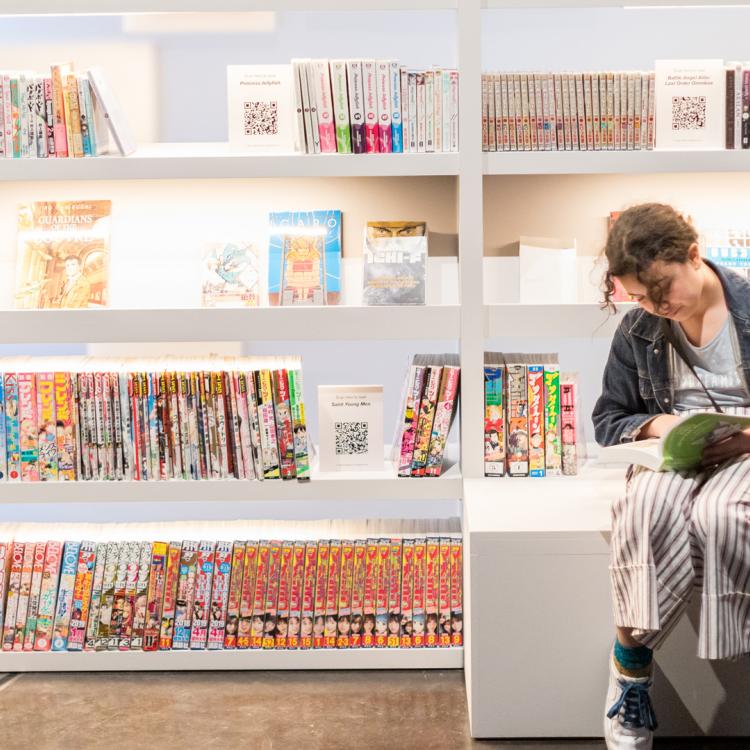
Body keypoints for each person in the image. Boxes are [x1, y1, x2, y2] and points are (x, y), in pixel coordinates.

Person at [593, 203, 750, 750]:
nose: (655, 306)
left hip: (747, 451)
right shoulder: (640, 328)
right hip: (680, 452)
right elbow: (608, 420)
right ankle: (631, 675)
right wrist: (663, 423)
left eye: (660, 288)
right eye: (638, 296)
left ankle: (730, 649)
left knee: (720, 514)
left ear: (693, 255)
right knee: (643, 509)